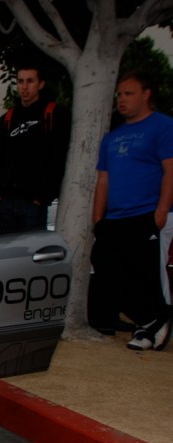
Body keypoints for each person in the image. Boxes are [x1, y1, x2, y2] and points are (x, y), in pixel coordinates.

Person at [91, 69, 173, 351]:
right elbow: (103, 179)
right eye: (120, 95)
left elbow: (170, 171)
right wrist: (97, 218)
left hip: (148, 214)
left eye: (129, 94)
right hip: (115, 218)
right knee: (107, 266)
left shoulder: (163, 126)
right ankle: (151, 319)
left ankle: (153, 323)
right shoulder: (112, 137)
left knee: (147, 272)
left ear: (146, 94)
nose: (122, 100)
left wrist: (161, 212)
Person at [0, 64, 70, 232]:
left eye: (30, 81)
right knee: (8, 255)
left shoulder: (53, 114)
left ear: (40, 84)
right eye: (20, 81)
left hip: (34, 202)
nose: (24, 87)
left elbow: (57, 158)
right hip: (6, 201)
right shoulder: (8, 118)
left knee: (31, 252)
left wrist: (42, 197)